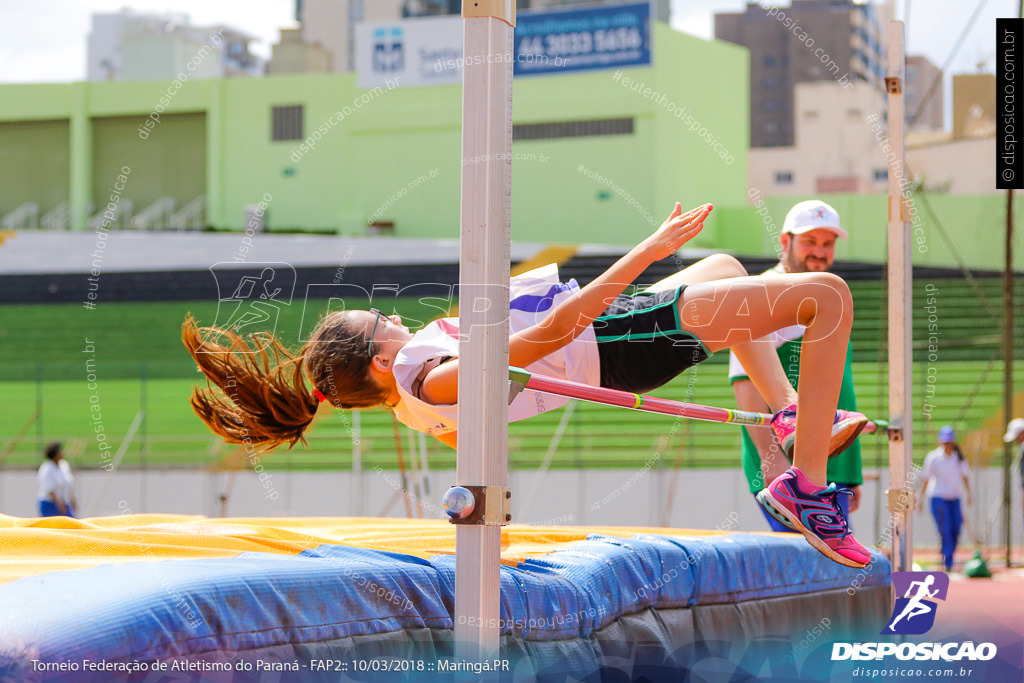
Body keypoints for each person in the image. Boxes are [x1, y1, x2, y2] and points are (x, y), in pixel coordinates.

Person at [183, 202, 872, 567]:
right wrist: (647, 250)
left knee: (721, 265)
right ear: (377, 357)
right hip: (619, 344)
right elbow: (544, 338)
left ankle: (787, 414)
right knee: (828, 298)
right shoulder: (426, 379)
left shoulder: (412, 380)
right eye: (382, 320)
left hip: (615, 333)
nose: (395, 316)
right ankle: (807, 486)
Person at [728, 200, 865, 533]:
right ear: (785, 242)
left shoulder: (827, 295)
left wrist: (850, 472)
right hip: (789, 465)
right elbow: (744, 381)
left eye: (827, 243)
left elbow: (839, 389)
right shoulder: (765, 293)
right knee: (809, 565)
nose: (819, 252)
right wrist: (770, 455)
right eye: (810, 242)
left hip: (832, 461)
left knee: (831, 568)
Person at [917, 426, 971, 572]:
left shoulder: (958, 457)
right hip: (938, 498)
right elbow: (926, 479)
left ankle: (947, 554)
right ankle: (948, 562)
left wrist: (969, 494)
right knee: (945, 529)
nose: (947, 445)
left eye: (949, 442)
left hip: (954, 499)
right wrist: (920, 499)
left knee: (956, 528)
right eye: (945, 442)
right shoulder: (933, 458)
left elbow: (965, 476)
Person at [37, 442, 76, 518]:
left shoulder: (64, 465)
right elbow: (50, 490)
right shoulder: (47, 468)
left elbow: (68, 484)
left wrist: (73, 500)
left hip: (64, 502)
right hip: (50, 504)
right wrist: (59, 506)